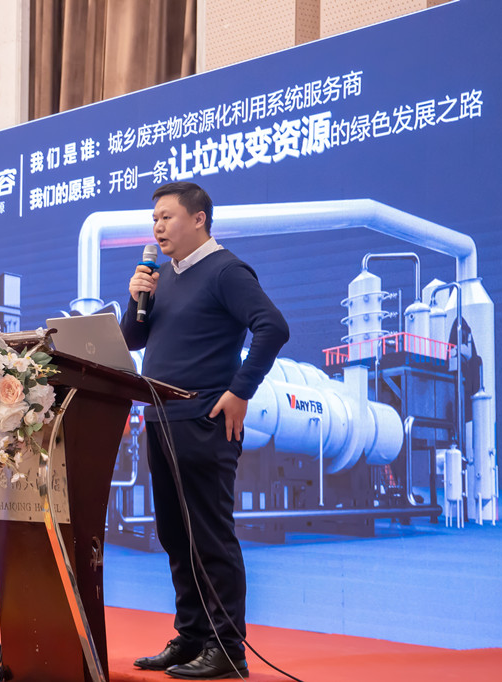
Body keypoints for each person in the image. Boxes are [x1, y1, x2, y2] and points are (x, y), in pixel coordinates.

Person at [121, 182, 289, 680]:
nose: (157, 227)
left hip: (202, 420)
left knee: (209, 538)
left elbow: (272, 326)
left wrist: (240, 391)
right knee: (176, 536)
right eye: (154, 218)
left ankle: (227, 649)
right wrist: (136, 299)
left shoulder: (225, 270)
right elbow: (133, 339)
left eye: (167, 217)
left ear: (198, 219)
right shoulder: (164, 277)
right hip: (161, 419)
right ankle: (192, 636)